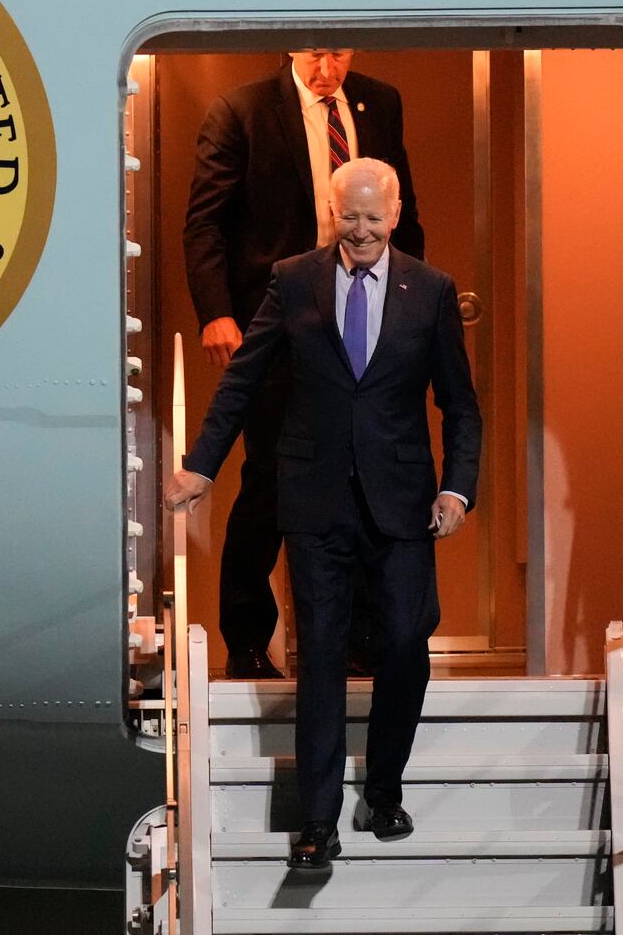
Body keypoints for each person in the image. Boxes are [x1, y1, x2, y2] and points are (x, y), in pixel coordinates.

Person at [166, 158, 480, 871]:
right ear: (331, 211)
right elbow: (244, 376)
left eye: (374, 216)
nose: (362, 229)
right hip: (314, 500)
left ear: (395, 214)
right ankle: (317, 824)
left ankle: (385, 788)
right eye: (350, 215)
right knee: (322, 659)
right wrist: (202, 464)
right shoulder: (293, 278)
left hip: (403, 503)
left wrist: (457, 490)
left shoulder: (429, 291)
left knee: (404, 643)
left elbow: (460, 404)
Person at [182, 49, 424, 679]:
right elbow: (205, 223)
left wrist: (415, 308)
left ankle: (361, 637)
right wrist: (216, 311)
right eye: (315, 54)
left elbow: (407, 213)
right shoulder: (242, 109)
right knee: (269, 477)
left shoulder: (382, 100)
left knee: (365, 470)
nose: (327, 68)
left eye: (338, 53)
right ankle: (246, 638)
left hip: (367, 313)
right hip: (281, 317)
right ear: (291, 48)